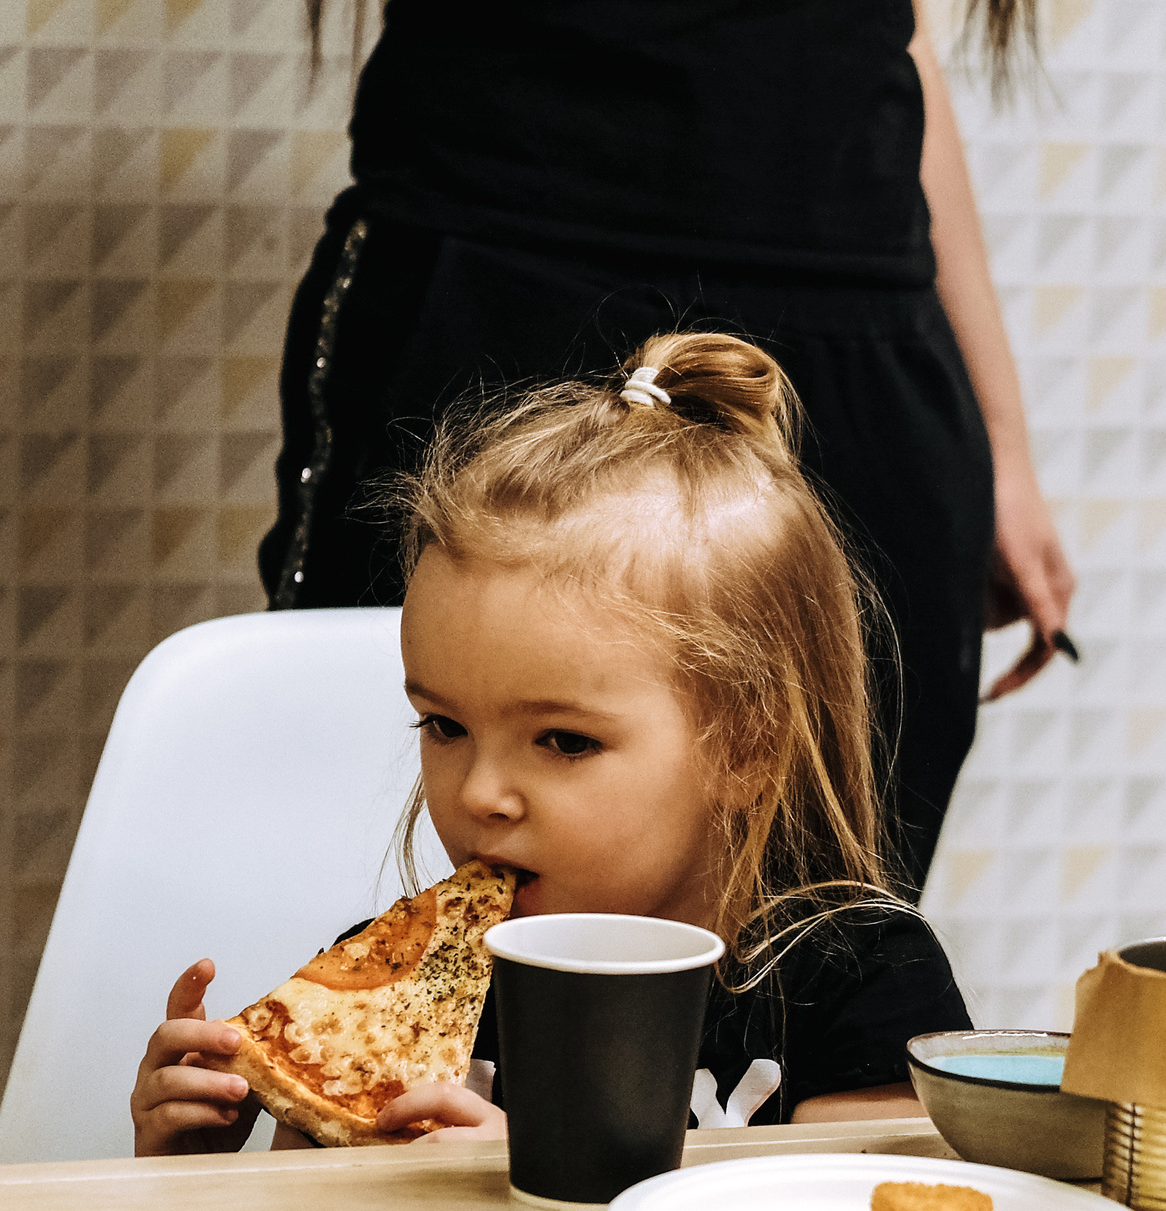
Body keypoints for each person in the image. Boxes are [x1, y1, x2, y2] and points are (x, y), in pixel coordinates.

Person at [258, 0, 1075, 895]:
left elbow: (902, 28)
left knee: (833, 933)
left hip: (860, 325)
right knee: (393, 888)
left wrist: (1003, 446)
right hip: (495, 270)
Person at [133, 334, 973, 1156]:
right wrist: (196, 1177)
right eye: (445, 725)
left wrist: (553, 1176)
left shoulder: (858, 982)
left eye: (564, 741)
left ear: (743, 745)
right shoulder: (404, 985)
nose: (480, 793)